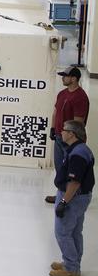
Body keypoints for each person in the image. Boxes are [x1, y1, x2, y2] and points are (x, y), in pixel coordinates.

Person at [51, 119, 95, 276]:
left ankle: (71, 268)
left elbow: (74, 182)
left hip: (73, 197)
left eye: (64, 130)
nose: (61, 132)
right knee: (75, 231)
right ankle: (72, 263)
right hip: (80, 197)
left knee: (62, 232)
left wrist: (64, 202)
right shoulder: (80, 149)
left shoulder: (77, 154)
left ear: (72, 134)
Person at [46, 66, 89, 204]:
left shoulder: (80, 97)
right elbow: (55, 112)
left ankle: (70, 197)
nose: (63, 78)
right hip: (59, 136)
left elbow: (78, 123)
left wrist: (71, 140)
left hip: (70, 140)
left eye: (65, 76)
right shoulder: (62, 94)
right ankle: (61, 194)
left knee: (72, 170)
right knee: (60, 168)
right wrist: (53, 128)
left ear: (74, 78)